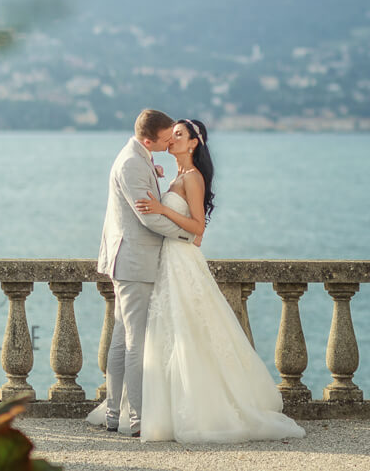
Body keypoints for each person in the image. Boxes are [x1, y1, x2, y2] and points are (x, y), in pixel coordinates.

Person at [89, 118, 305, 444]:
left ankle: (171, 411)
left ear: (193, 143)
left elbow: (198, 228)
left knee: (186, 335)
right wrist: (161, 188)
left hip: (179, 260)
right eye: (170, 134)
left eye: (178, 135)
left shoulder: (193, 177)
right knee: (160, 337)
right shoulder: (171, 174)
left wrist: (162, 207)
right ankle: (141, 409)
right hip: (161, 262)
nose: (172, 140)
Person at [94, 108, 196, 438]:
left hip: (129, 259)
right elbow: (149, 218)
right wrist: (187, 237)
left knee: (123, 339)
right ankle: (136, 420)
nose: (170, 143)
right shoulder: (131, 163)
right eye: (166, 139)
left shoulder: (138, 157)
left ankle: (114, 415)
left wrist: (153, 174)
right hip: (134, 262)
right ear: (147, 139)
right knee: (134, 341)